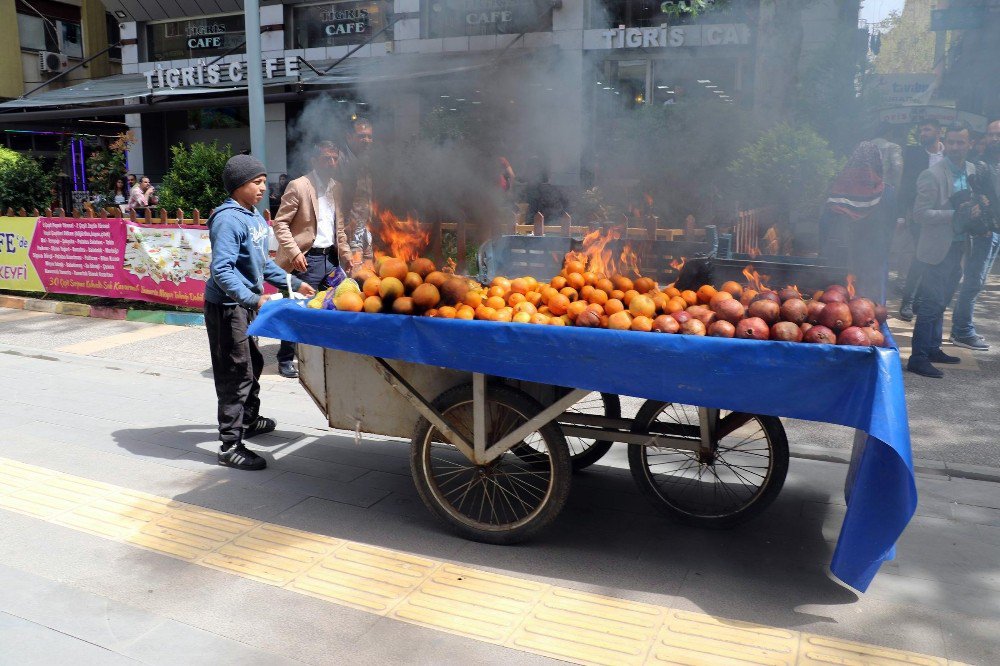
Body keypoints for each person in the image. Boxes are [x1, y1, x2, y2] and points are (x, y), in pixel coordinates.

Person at [205, 155, 316, 470]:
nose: (263, 187)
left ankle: (249, 419)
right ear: (239, 184)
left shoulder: (253, 216)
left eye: (264, 181)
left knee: (252, 363)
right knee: (235, 372)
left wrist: (293, 283)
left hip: (243, 304)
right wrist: (253, 300)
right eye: (257, 182)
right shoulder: (228, 219)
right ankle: (229, 444)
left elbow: (263, 264)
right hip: (226, 307)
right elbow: (221, 270)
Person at [271, 141, 354, 379]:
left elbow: (338, 229)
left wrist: (346, 254)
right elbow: (280, 223)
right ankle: (286, 359)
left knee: (333, 306)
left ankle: (327, 354)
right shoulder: (299, 186)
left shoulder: (336, 187)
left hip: (330, 259)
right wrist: (295, 252)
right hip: (305, 260)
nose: (332, 163)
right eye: (326, 158)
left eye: (335, 158)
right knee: (297, 310)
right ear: (315, 161)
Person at [907, 123, 981, 378]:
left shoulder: (971, 170)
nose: (955, 147)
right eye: (951, 142)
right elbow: (919, 214)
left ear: (969, 144)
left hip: (961, 245)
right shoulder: (932, 174)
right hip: (937, 248)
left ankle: (933, 348)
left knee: (942, 301)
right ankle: (918, 357)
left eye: (961, 142)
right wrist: (953, 214)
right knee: (929, 303)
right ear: (945, 143)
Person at [819, 141, 896, 303]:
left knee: (838, 310)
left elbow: (824, 226)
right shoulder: (888, 192)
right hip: (874, 260)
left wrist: (823, 252)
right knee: (871, 311)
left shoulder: (837, 189)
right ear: (879, 164)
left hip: (839, 260)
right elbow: (890, 229)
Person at [949, 118, 1000, 351]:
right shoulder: (979, 165)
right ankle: (962, 331)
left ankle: (963, 329)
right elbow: (968, 198)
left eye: (997, 134)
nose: (994, 139)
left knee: (978, 282)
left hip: (995, 231)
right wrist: (981, 226)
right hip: (984, 233)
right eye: (990, 134)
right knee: (974, 281)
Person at [898, 119, 945, 320]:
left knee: (937, 260)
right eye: (921, 130)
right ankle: (908, 301)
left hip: (944, 217)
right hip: (920, 215)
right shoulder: (914, 154)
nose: (923, 133)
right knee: (919, 257)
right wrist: (901, 214)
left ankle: (920, 299)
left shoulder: (948, 154)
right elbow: (906, 185)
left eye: (927, 129)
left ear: (939, 132)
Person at [341, 117, 375, 268]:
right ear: (349, 137)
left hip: (365, 227)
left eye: (369, 136)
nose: (366, 140)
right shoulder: (339, 160)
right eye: (362, 136)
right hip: (349, 230)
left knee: (369, 276)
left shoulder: (367, 159)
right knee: (354, 275)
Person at [523, 156, 570, 228]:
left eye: (531, 169)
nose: (528, 172)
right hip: (540, 226)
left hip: (547, 225)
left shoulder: (542, 190)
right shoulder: (532, 189)